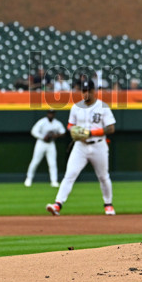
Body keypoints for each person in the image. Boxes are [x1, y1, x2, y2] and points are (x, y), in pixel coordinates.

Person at [46, 79, 117, 216]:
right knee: (69, 175)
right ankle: (57, 204)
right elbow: (70, 125)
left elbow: (111, 128)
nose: (85, 94)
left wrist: (91, 133)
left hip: (99, 145)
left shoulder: (103, 107)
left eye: (88, 91)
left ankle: (108, 205)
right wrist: (75, 131)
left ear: (93, 91)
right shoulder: (76, 107)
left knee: (103, 176)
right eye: (83, 91)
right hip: (80, 146)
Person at [25, 109, 66, 187]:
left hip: (51, 144)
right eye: (50, 113)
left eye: (52, 113)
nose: (51, 115)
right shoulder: (42, 122)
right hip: (41, 143)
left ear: (54, 114)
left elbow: (63, 132)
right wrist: (43, 137)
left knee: (52, 163)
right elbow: (34, 131)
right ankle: (29, 178)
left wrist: (55, 135)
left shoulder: (57, 123)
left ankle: (54, 181)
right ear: (47, 114)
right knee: (35, 161)